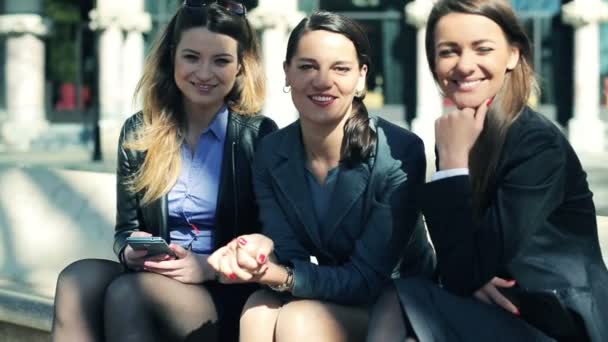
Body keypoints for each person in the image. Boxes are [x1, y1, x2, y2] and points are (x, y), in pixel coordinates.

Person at [366, 0, 608, 341]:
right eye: (448, 51)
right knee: (403, 302)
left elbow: (464, 267)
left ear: (512, 54)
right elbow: (461, 263)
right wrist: (469, 276)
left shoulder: (535, 142)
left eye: (482, 49)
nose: (464, 65)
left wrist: (450, 165)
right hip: (501, 307)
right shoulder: (461, 131)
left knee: (402, 299)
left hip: (557, 320)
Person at [51, 1, 276, 341]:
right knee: (76, 280)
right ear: (172, 56)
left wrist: (206, 267)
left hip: (224, 291)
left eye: (221, 61)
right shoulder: (139, 131)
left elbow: (273, 241)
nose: (203, 73)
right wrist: (132, 249)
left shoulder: (258, 136)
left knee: (130, 292)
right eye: (191, 57)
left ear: (241, 66)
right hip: (154, 275)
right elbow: (126, 230)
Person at [207, 11, 435, 342]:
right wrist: (254, 256)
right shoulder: (271, 152)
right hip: (325, 287)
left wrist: (283, 277)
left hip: (394, 300)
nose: (323, 80)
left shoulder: (400, 152)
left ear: (361, 77)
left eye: (340, 68)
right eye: (307, 66)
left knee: (299, 320)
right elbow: (288, 251)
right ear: (286, 73)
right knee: (258, 310)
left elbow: (366, 277)